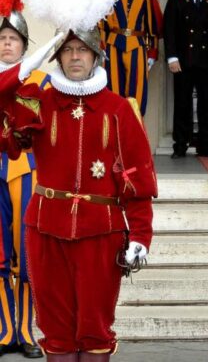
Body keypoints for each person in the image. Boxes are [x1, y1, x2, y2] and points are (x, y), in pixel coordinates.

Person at [0, 25, 157, 361]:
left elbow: (138, 181)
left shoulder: (119, 109)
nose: (75, 56)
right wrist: (25, 67)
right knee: (56, 329)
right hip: (45, 229)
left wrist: (141, 235)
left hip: (103, 232)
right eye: (67, 50)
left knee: (95, 327)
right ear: (56, 56)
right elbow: (6, 126)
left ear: (96, 55)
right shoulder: (37, 102)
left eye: (82, 50)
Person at [0, 0, 44, 359]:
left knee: (26, 257)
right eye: (2, 38)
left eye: (14, 38)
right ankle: (4, 330)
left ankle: (27, 331)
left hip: (25, 170)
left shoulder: (38, 79)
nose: (7, 43)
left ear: (25, 46)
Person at [164, 0, 208, 158]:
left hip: (207, 61)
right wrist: (171, 57)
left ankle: (205, 146)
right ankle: (180, 145)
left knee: (206, 104)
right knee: (182, 104)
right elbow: (169, 29)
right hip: (183, 61)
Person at [99, 0, 163, 114]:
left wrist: (152, 52)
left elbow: (153, 27)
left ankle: (135, 124)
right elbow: (101, 25)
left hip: (137, 45)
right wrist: (101, 48)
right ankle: (113, 124)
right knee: (113, 87)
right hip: (112, 45)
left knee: (137, 88)